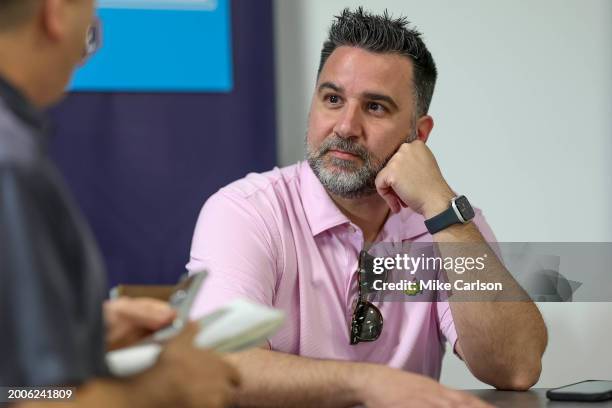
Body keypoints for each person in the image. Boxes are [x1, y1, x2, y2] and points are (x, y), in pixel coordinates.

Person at [187, 7, 547, 407]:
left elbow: (516, 367)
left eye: (375, 107)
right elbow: (218, 365)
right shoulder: (246, 212)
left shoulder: (448, 221)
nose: (345, 127)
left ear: (418, 134)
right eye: (332, 99)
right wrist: (370, 384)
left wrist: (442, 210)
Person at [0, 0, 239, 407]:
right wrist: (163, 389)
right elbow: (31, 399)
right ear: (55, 14)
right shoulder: (11, 163)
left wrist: (80, 333)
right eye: (90, 19)